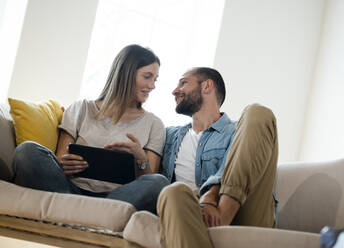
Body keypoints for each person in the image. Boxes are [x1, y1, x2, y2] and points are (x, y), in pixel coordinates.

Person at [12, 44, 169, 214]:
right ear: (126, 74)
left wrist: (140, 158)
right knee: (26, 151)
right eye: (147, 77)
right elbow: (60, 157)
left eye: (155, 79)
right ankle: (82, 213)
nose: (152, 85)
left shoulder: (154, 124)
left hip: (117, 198)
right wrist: (64, 163)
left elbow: (149, 178)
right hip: (70, 190)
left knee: (159, 182)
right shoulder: (82, 108)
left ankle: (75, 214)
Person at [157, 67, 278, 247]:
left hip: (244, 211)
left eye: (183, 83)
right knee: (172, 192)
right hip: (193, 213)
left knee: (258, 112)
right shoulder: (167, 135)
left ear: (206, 86)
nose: (175, 91)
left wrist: (211, 195)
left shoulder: (242, 130)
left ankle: (223, 217)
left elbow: (240, 161)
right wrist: (140, 158)